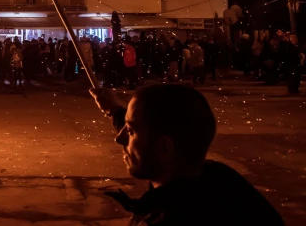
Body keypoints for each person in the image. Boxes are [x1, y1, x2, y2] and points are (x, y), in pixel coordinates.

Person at [90, 84, 284, 225]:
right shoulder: (221, 181)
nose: (119, 139)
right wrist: (113, 109)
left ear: (165, 148)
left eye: (130, 131)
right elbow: (154, 129)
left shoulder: (173, 217)